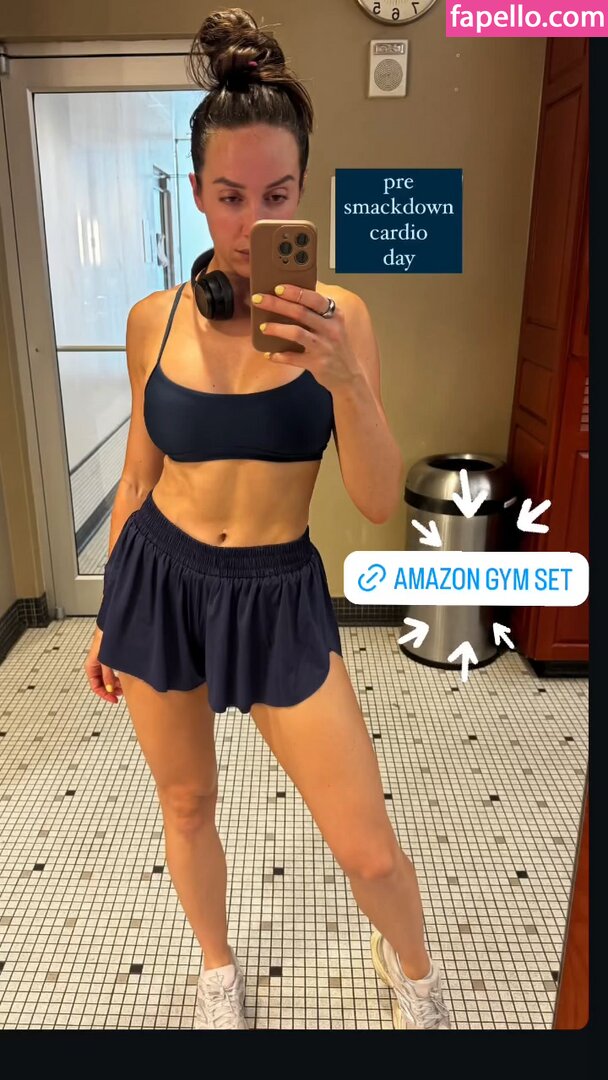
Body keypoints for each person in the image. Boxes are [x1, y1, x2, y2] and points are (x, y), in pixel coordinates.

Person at [83, 7, 451, 1032]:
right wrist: (111, 612)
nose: (250, 225)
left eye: (276, 196)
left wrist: (346, 381)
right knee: (187, 804)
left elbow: (374, 498)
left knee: (364, 844)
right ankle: (216, 970)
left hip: (279, 592)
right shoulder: (152, 320)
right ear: (198, 190)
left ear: (303, 192)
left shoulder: (343, 318)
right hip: (161, 582)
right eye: (230, 196)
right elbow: (135, 479)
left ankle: (414, 973)